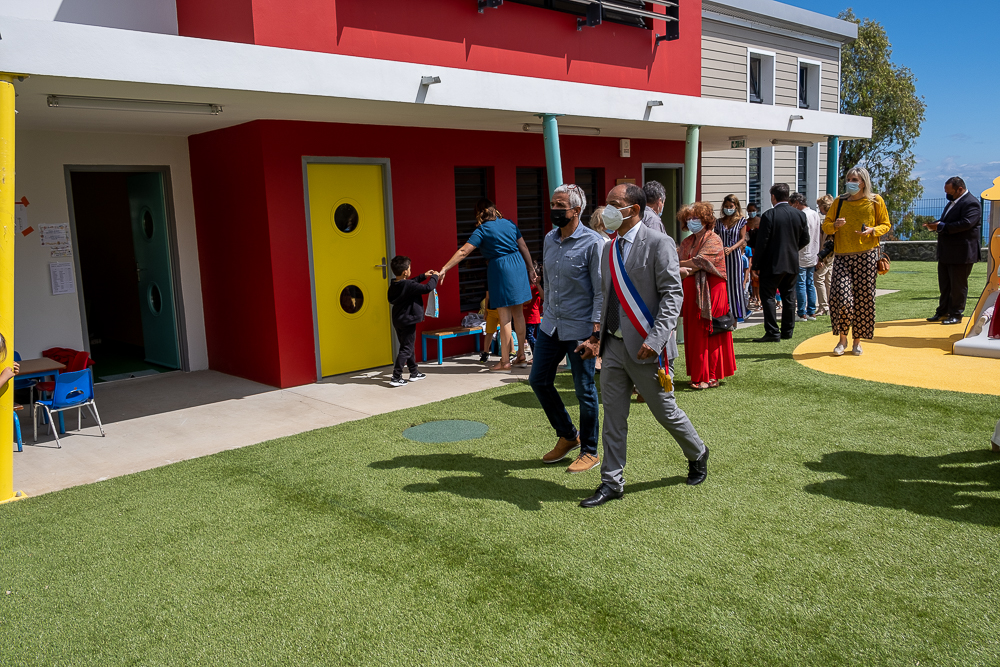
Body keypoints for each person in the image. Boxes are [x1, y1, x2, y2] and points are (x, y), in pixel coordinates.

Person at [575, 184, 709, 508]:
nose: (607, 210)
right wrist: (596, 338)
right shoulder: (609, 249)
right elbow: (608, 298)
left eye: (614, 204)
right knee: (614, 419)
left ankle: (698, 452)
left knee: (665, 412)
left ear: (633, 210)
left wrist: (656, 339)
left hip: (649, 349)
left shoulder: (659, 243)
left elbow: (672, 295)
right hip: (615, 349)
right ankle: (612, 482)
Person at [529, 184, 604, 474]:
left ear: (577, 210)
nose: (554, 210)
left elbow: (600, 292)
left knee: (584, 391)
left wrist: (595, 335)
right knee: (538, 381)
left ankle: (590, 450)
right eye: (552, 204)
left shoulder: (594, 243)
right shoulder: (549, 239)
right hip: (551, 325)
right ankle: (568, 434)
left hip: (580, 329)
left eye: (560, 206)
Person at [438, 198, 537, 371]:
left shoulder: (482, 230)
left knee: (504, 318)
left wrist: (445, 268)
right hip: (518, 265)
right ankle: (521, 355)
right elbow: (524, 247)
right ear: (495, 210)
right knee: (518, 315)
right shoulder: (509, 224)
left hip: (500, 269)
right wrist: (530, 269)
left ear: (478, 213)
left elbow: (463, 251)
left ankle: (505, 361)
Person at [821, 166, 891, 356]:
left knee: (864, 300)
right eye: (849, 178)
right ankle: (842, 340)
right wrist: (834, 225)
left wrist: (872, 231)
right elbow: (826, 225)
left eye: (855, 179)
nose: (851, 182)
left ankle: (857, 342)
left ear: (863, 182)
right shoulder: (840, 201)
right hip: (842, 256)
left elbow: (886, 224)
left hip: (867, 255)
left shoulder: (875, 201)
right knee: (840, 298)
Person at [678, 202, 737, 389]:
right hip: (691, 291)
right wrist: (687, 265)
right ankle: (698, 374)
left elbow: (699, 262)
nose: (691, 221)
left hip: (713, 289)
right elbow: (683, 262)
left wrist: (684, 265)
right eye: (688, 218)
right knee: (694, 332)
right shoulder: (687, 241)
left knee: (710, 330)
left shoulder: (714, 239)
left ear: (705, 219)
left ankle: (710, 376)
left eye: (695, 218)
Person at [751, 183, 809, 342]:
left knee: (768, 296)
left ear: (773, 197)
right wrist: (792, 249)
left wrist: (755, 265)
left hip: (771, 263)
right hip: (791, 262)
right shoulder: (800, 215)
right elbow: (806, 239)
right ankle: (787, 331)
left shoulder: (769, 215)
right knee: (789, 297)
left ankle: (772, 332)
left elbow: (762, 243)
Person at [923, 176, 982, 325]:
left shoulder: (972, 203)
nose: (947, 194)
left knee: (958, 286)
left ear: (960, 189)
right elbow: (947, 221)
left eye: (949, 191)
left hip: (962, 254)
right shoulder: (952, 203)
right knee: (945, 285)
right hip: (946, 252)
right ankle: (942, 311)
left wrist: (941, 227)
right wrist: (935, 224)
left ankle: (956, 314)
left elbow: (967, 223)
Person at [386, 257, 438, 387]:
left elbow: (411, 283)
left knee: (407, 346)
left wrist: (423, 276)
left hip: (398, 320)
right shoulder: (407, 285)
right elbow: (427, 288)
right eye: (409, 268)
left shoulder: (394, 284)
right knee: (406, 348)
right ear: (405, 272)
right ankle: (396, 376)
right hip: (408, 320)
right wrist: (435, 277)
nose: (411, 270)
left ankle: (414, 372)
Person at [715, 194, 749, 322]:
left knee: (735, 285)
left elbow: (742, 239)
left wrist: (732, 248)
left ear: (736, 206)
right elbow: (716, 237)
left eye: (731, 206)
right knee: (723, 285)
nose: (728, 208)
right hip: (722, 257)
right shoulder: (719, 222)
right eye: (726, 206)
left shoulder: (741, 220)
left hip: (734, 257)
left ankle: (736, 316)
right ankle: (724, 314)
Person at [790, 192, 823, 322]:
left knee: (801, 284)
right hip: (813, 253)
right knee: (810, 284)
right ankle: (811, 312)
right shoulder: (815, 214)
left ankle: (802, 312)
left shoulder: (801, 215)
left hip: (802, 254)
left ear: (797, 203)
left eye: (791, 204)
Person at [814, 194, 835, 316]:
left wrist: (821, 257)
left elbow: (828, 242)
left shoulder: (830, 221)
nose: (819, 209)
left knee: (819, 279)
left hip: (827, 255)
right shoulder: (830, 219)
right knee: (828, 280)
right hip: (830, 255)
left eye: (820, 206)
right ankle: (829, 305)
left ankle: (823, 306)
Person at [523, 262, 543, 356]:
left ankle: (537, 355)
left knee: (530, 336)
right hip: (524, 316)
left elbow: (542, 298)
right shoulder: (526, 287)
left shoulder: (536, 288)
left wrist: (538, 284)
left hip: (532, 317)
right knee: (527, 336)